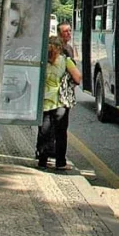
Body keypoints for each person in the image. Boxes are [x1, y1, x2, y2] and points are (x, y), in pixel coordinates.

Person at [36, 36, 82, 170]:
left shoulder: (41, 60)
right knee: (61, 133)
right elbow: (78, 78)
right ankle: (60, 162)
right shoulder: (65, 61)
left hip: (43, 101)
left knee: (44, 131)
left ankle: (42, 161)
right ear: (60, 48)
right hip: (60, 102)